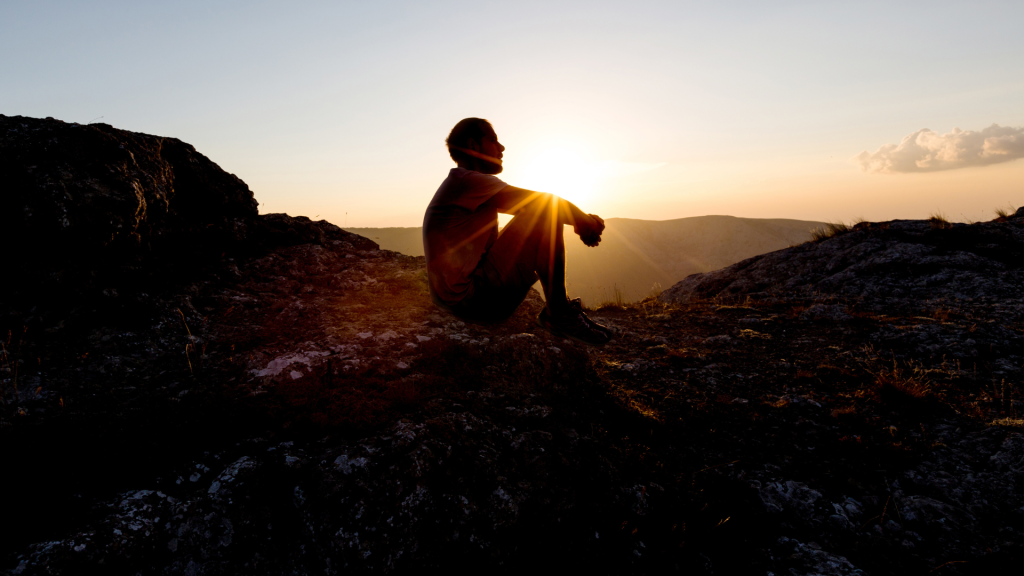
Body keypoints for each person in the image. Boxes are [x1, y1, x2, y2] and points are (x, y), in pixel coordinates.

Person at [423, 118, 611, 345]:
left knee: (539, 214)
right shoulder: (467, 180)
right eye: (493, 140)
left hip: (454, 298)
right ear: (473, 146)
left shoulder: (463, 183)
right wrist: (585, 223)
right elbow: (545, 203)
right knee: (543, 214)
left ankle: (559, 311)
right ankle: (559, 314)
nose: (501, 147)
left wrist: (581, 222)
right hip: (471, 302)